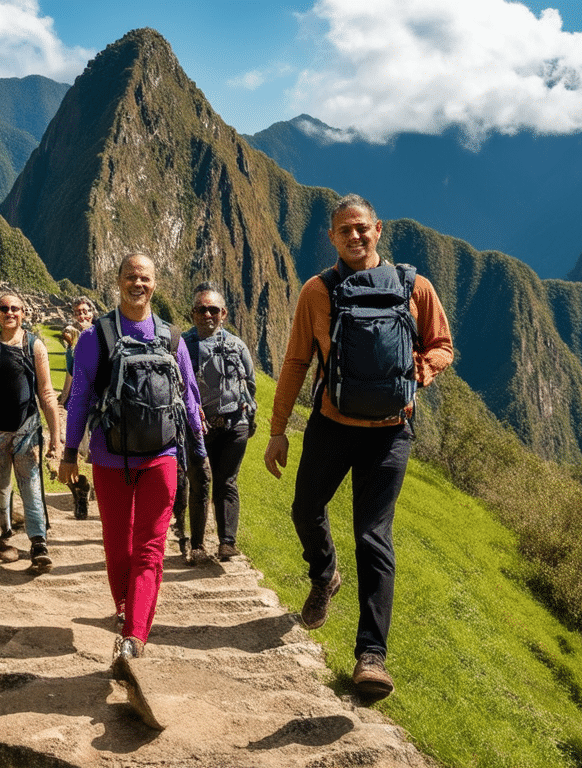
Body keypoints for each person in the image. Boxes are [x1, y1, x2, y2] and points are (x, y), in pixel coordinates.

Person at [263, 194, 453, 703]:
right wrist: (278, 428)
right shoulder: (317, 291)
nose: (355, 236)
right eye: (345, 230)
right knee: (306, 509)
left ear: (379, 229)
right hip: (331, 424)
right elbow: (296, 361)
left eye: (362, 228)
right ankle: (325, 574)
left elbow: (442, 345)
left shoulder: (415, 287)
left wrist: (422, 372)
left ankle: (372, 657)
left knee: (374, 537)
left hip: (391, 431)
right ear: (332, 237)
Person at [59, 253, 206, 665]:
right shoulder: (95, 337)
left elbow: (189, 397)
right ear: (118, 280)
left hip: (161, 455)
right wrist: (71, 452)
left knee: (150, 547)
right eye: (130, 277)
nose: (136, 284)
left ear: (154, 284)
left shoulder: (173, 338)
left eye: (144, 278)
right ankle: (125, 607)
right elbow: (80, 398)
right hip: (109, 456)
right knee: (117, 544)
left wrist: (199, 450)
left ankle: (134, 636)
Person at [0, 292, 62, 571]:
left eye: (15, 308)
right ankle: (2, 533)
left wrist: (55, 438)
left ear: (23, 313)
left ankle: (38, 542)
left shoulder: (34, 346)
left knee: (31, 485)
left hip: (27, 429)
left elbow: (46, 393)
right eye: (3, 308)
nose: (9, 313)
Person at [178, 284, 257, 564]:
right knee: (200, 481)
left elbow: (249, 382)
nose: (207, 314)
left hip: (234, 423)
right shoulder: (182, 346)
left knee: (227, 481)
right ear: (193, 313)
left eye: (213, 309)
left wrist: (249, 414)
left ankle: (227, 543)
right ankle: (197, 545)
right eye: (202, 309)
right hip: (198, 427)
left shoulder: (236, 346)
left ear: (223, 313)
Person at [57, 296, 97, 520]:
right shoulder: (71, 343)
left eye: (85, 311)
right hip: (78, 403)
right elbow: (70, 374)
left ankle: (101, 492)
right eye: (78, 312)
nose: (82, 315)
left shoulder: (101, 338)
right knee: (73, 451)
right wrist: (62, 399)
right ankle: (80, 492)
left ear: (92, 312)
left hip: (97, 404)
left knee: (97, 449)